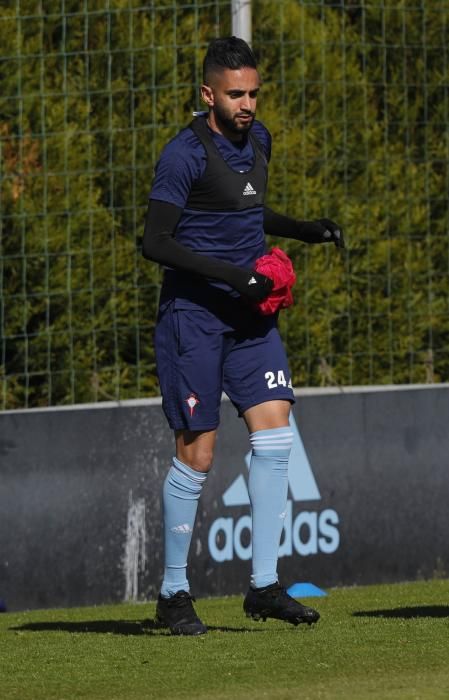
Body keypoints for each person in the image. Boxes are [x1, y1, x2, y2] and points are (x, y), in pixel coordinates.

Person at [142, 36, 344, 636]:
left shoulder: (259, 140)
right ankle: (173, 594)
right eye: (236, 94)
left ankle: (263, 585)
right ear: (208, 94)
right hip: (195, 317)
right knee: (198, 454)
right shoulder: (183, 155)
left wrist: (305, 230)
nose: (248, 103)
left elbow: (248, 212)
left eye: (254, 92)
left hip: (251, 319)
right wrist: (235, 275)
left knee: (276, 433)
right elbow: (155, 241)